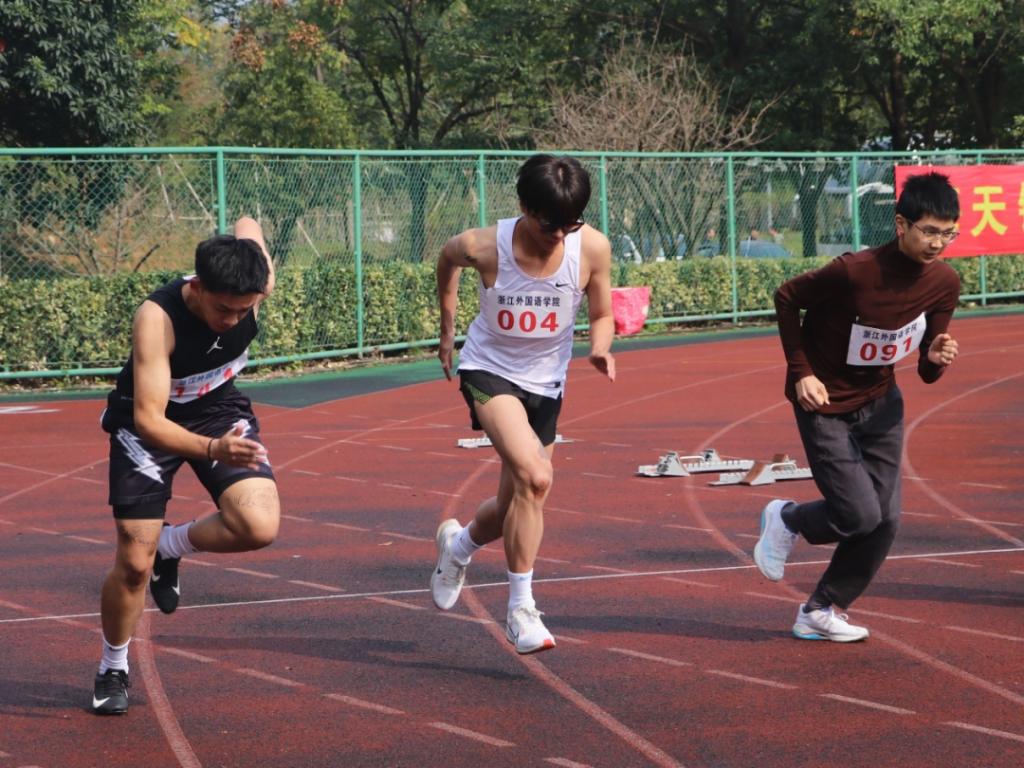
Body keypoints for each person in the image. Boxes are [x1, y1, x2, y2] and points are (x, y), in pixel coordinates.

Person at [754, 172, 961, 642]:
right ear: (901, 224)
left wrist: (934, 358)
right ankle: (787, 518)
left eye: (949, 233)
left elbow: (927, 368)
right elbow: (786, 297)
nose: (938, 243)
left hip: (882, 404)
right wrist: (801, 372)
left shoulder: (944, 283)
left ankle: (821, 609)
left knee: (886, 520)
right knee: (859, 516)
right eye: (929, 231)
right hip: (824, 403)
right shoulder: (854, 271)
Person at [92, 217, 279, 714]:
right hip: (149, 424)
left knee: (258, 525)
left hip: (218, 408)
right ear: (197, 287)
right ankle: (113, 665)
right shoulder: (157, 318)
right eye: (223, 309)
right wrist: (213, 449)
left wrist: (245, 237)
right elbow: (150, 421)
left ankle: (170, 547)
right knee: (134, 564)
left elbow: (249, 224)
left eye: (244, 310)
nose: (233, 320)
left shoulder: (255, 281)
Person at [431, 154, 615, 654]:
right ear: (524, 208)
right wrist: (448, 329)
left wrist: (601, 346)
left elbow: (602, 313)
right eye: (548, 224)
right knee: (536, 477)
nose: (558, 235)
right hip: (488, 371)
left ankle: (458, 546)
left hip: (547, 385)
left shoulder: (591, 248)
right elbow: (446, 259)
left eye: (570, 224)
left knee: (515, 504)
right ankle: (520, 611)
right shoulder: (484, 246)